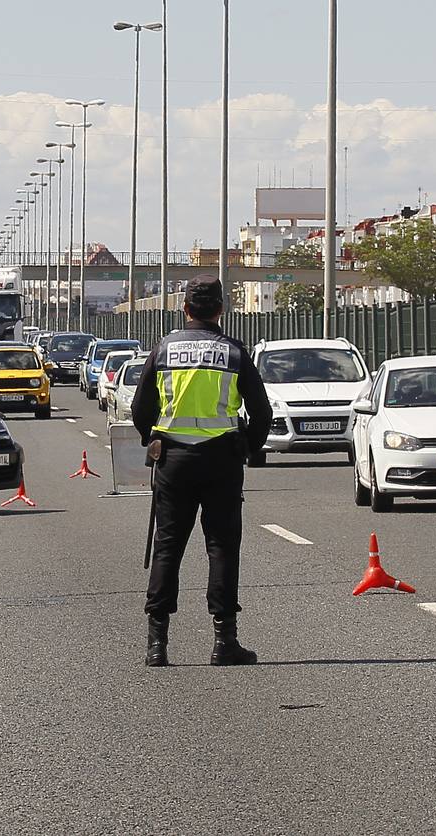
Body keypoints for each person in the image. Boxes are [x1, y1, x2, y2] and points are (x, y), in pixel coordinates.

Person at [129, 275, 273, 668]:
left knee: (168, 546)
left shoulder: (163, 350)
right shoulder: (234, 353)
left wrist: (153, 438)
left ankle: (157, 645)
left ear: (185, 308)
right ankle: (224, 641)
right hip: (222, 460)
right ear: (221, 309)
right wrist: (247, 447)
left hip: (174, 461)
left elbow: (140, 410)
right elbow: (262, 413)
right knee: (222, 547)